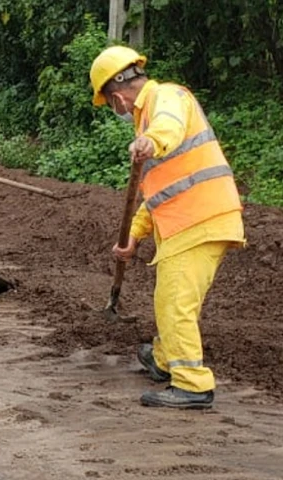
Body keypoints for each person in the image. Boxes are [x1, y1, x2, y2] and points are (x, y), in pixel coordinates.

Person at [90, 46, 245, 409]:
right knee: (170, 299)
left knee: (176, 304)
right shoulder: (147, 117)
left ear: (117, 97)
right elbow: (159, 193)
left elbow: (169, 126)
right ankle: (163, 359)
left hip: (200, 219)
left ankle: (192, 384)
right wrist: (133, 237)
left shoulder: (166, 98)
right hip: (188, 221)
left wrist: (152, 139)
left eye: (111, 104)